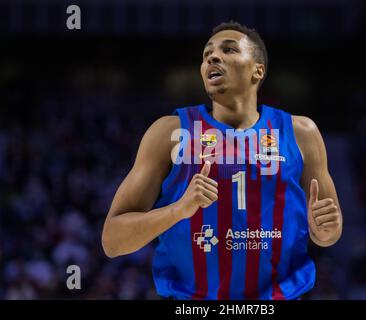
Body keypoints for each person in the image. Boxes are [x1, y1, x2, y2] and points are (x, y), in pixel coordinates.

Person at [102, 21, 343, 300]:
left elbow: (327, 233)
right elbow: (112, 240)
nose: (212, 57)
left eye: (228, 49)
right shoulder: (169, 133)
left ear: (258, 70)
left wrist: (327, 230)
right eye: (206, 55)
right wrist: (178, 210)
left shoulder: (301, 133)